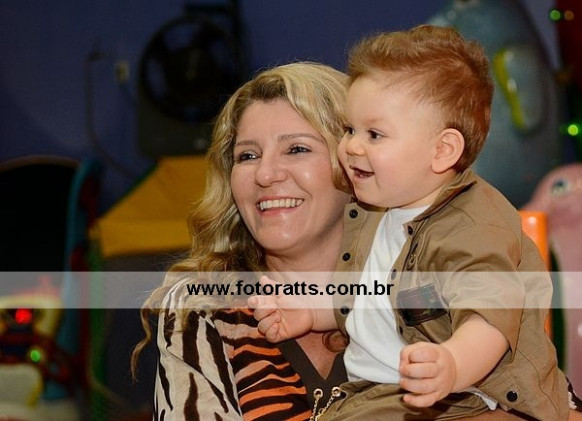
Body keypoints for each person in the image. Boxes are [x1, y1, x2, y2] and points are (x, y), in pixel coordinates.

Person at [251, 25, 578, 420]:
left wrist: (453, 363)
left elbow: (490, 317)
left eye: (374, 134)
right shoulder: (378, 211)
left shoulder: (472, 227)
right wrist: (312, 313)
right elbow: (376, 299)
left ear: (442, 151)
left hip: (465, 398)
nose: (352, 146)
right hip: (382, 393)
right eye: (350, 130)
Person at [131, 62, 353, 420]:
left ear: (357, 165)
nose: (265, 174)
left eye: (297, 149)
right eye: (248, 156)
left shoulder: (417, 294)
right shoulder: (204, 306)